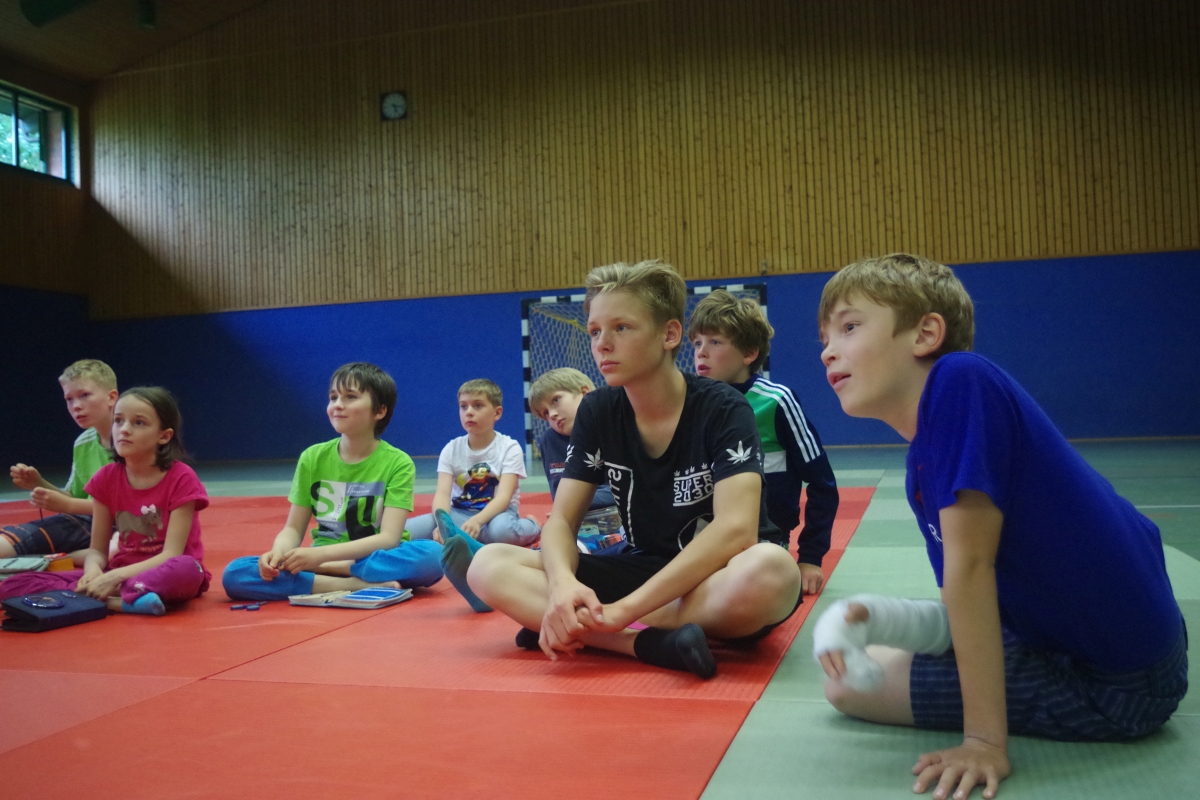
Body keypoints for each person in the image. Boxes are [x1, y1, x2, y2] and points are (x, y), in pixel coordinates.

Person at [812, 253, 1187, 800]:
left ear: (925, 334)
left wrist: (983, 741)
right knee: (857, 671)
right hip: (1090, 640)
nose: (828, 349)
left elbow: (970, 570)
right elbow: (972, 603)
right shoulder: (922, 463)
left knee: (845, 688)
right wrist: (882, 617)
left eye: (849, 327)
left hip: (1116, 683)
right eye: (825, 337)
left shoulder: (960, 380)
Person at [465, 260, 802, 679]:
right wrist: (563, 586)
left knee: (773, 570)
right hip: (642, 568)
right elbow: (562, 521)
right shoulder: (598, 410)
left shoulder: (723, 406)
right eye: (594, 331)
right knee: (487, 564)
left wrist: (623, 610)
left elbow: (736, 531)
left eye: (621, 328)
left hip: (717, 576)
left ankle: (583, 627)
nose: (602, 344)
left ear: (669, 334)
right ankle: (639, 643)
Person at [221, 363, 442, 601]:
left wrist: (320, 560)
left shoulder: (398, 462)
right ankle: (353, 585)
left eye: (350, 397)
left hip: (371, 557)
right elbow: (293, 528)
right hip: (323, 556)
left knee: (434, 556)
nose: (337, 404)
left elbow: (388, 538)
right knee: (235, 573)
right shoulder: (312, 457)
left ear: (379, 411)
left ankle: (330, 573)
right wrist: (278, 555)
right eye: (333, 397)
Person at [0, 387, 211, 616]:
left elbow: (171, 554)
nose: (124, 429)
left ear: (164, 436)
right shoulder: (106, 478)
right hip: (118, 573)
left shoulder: (182, 477)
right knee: (12, 585)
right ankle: (124, 600)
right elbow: (97, 551)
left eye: (139, 423)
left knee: (185, 569)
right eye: (118, 421)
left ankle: (104, 599)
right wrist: (92, 571)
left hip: (163, 571)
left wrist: (115, 577)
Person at [689, 289, 839, 595]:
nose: (701, 352)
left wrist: (810, 558)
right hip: (702, 540)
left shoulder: (776, 401)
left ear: (749, 353)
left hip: (762, 543)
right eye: (697, 343)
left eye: (715, 342)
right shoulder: (689, 405)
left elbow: (822, 484)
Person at [2, 359, 119, 565]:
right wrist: (38, 483)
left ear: (111, 397)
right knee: (21, 539)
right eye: (69, 399)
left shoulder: (130, 440)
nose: (76, 406)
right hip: (89, 523)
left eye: (84, 395)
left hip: (129, 525)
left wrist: (69, 505)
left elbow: (132, 506)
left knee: (117, 550)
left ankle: (57, 559)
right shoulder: (83, 443)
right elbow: (74, 499)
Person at [529, 367, 627, 555]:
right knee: (550, 547)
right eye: (545, 413)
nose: (552, 414)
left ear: (584, 393)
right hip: (580, 521)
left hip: (621, 517)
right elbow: (559, 495)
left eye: (556, 400)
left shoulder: (614, 424)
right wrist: (567, 506)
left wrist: (571, 501)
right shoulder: (550, 440)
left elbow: (625, 490)